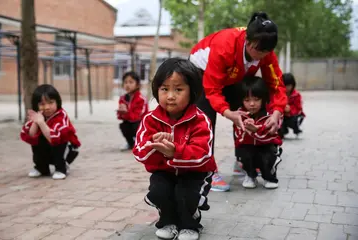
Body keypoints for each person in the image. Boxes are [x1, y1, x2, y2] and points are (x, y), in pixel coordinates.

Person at [189, 11, 287, 191]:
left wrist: (277, 112)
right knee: (206, 121)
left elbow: (276, 84)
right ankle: (207, 172)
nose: (262, 57)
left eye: (267, 52)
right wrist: (228, 112)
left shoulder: (265, 53)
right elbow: (212, 89)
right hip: (201, 72)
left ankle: (242, 160)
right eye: (259, 51)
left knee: (250, 105)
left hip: (232, 75)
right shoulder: (224, 46)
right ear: (247, 42)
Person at [133, 58, 216, 240]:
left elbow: (203, 154)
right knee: (160, 190)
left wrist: (175, 152)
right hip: (165, 171)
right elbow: (139, 150)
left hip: (195, 172)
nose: (170, 96)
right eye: (165, 89)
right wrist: (154, 145)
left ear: (192, 92)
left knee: (185, 194)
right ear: (157, 90)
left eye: (178, 89)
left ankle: (190, 224)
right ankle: (168, 221)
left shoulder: (201, 119)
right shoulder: (150, 119)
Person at [20, 84, 81, 180]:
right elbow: (31, 136)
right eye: (42, 104)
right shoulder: (39, 115)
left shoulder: (61, 115)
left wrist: (41, 123)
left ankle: (61, 168)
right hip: (49, 146)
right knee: (37, 140)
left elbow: (55, 138)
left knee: (59, 142)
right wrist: (36, 122)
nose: (47, 107)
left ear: (57, 102)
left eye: (51, 102)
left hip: (66, 148)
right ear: (36, 105)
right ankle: (41, 168)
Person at [234, 76, 283, 189]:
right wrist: (245, 129)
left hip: (267, 146)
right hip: (249, 146)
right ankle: (250, 175)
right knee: (244, 154)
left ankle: (269, 177)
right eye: (247, 100)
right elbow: (238, 137)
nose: (252, 104)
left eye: (256, 99)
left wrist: (257, 130)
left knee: (267, 157)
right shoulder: (240, 114)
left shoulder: (272, 114)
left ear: (264, 98)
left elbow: (273, 136)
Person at [117, 71, 148, 151]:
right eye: (125, 82)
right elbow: (119, 116)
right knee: (123, 125)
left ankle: (141, 142)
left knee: (136, 125)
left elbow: (137, 117)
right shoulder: (123, 98)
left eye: (131, 82)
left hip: (141, 124)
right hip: (129, 122)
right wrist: (121, 112)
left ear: (137, 85)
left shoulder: (141, 99)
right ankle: (131, 144)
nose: (127, 85)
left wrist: (126, 112)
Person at [279, 73, 305, 138]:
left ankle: (296, 128)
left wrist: (290, 109)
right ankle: (283, 130)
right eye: (285, 86)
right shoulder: (279, 94)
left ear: (293, 85)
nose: (287, 88)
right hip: (282, 115)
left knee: (294, 119)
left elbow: (298, 108)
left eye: (289, 85)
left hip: (293, 116)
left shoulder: (296, 95)